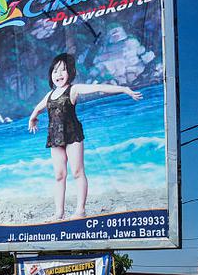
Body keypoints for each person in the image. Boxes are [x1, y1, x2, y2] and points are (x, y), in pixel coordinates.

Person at [27, 53, 142, 220]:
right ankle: (59, 212)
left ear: (71, 72)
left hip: (72, 134)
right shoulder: (50, 95)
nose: (58, 75)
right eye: (55, 71)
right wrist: (33, 118)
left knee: (77, 172)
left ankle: (80, 210)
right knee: (59, 175)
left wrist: (124, 89)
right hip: (55, 137)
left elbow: (99, 88)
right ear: (51, 75)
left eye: (63, 70)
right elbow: (38, 107)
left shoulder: (73, 89)